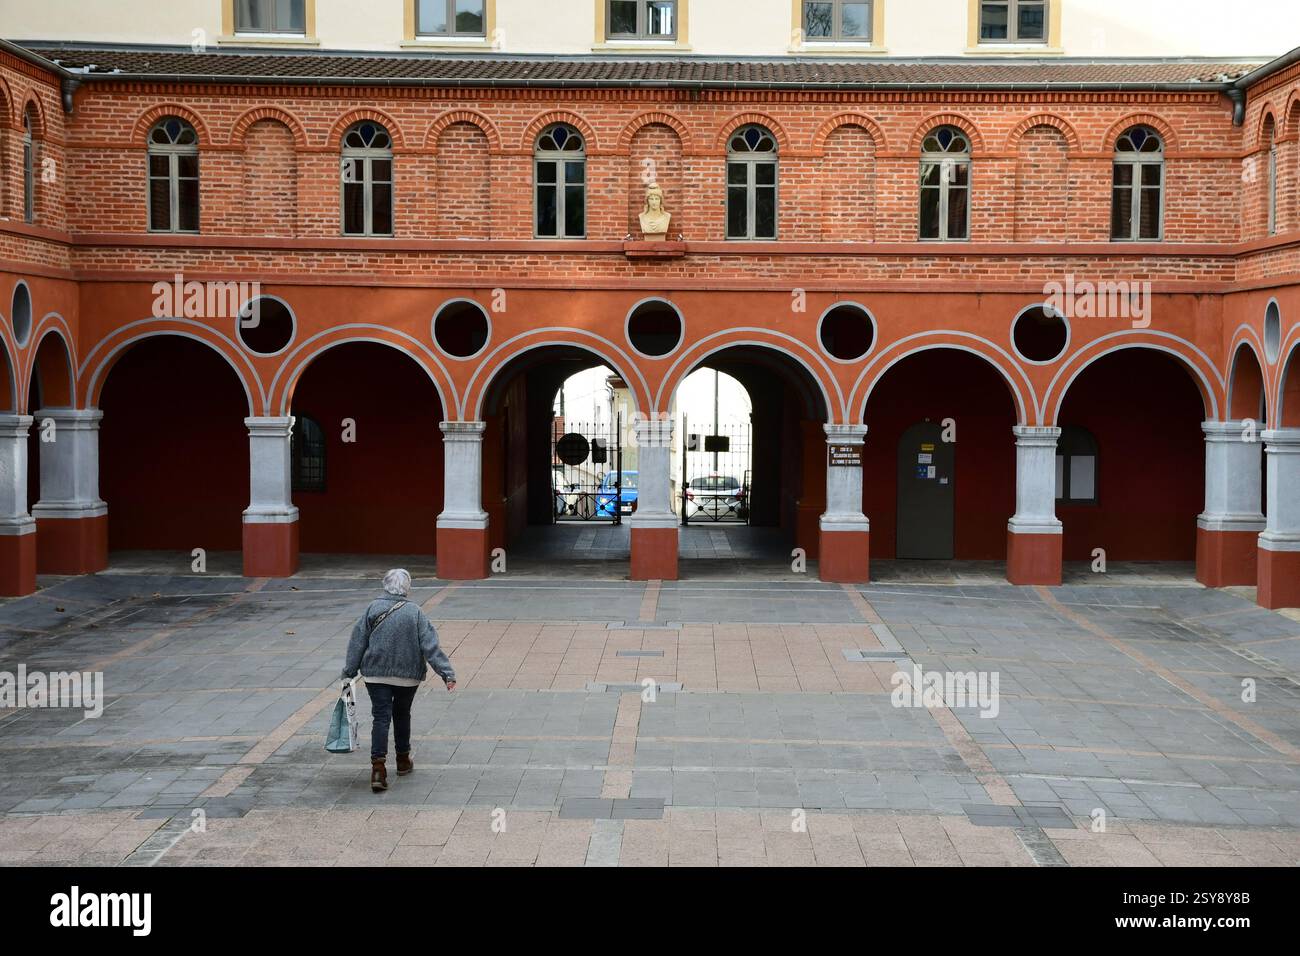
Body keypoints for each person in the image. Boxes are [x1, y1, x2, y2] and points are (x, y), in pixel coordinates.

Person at [341, 568, 456, 793]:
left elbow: (357, 642)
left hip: (376, 674)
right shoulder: (415, 612)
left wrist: (349, 671)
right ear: (407, 587)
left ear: (385, 585)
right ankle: (403, 760)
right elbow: (430, 646)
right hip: (407, 675)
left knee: (380, 717)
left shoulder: (372, 609)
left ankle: (378, 769)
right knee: (402, 714)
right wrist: (447, 673)